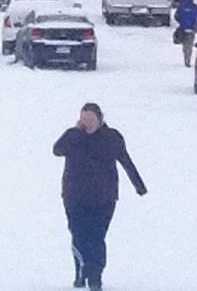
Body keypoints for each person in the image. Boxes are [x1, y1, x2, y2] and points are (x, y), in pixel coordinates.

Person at [53, 103, 147, 290]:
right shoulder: (73, 136)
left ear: (100, 119)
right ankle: (80, 271)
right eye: (84, 118)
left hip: (103, 198)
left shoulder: (112, 137)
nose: (87, 123)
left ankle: (95, 278)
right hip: (74, 196)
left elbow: (125, 161)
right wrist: (75, 131)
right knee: (79, 235)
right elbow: (57, 150)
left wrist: (139, 186)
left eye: (91, 119)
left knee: (96, 237)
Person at [174, 0, 197, 67]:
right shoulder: (195, 7)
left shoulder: (181, 7)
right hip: (192, 29)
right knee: (189, 45)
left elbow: (176, 16)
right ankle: (188, 59)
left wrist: (181, 21)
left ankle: (186, 57)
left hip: (183, 28)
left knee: (185, 45)